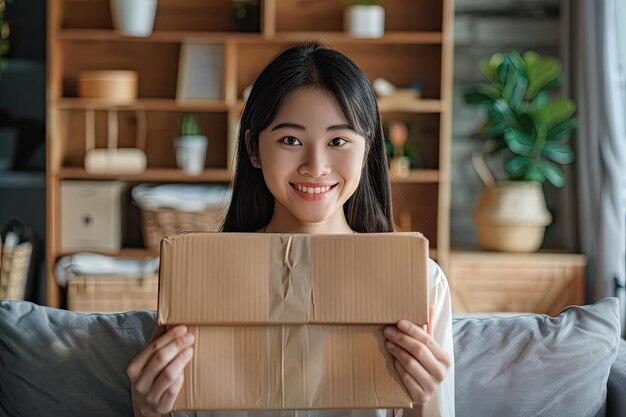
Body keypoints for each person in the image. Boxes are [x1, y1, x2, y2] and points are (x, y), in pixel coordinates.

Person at [126, 42, 455, 417]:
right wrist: (147, 408)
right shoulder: (200, 274)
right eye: (291, 140)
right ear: (254, 147)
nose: (315, 166)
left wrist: (426, 401)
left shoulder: (421, 281)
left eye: (339, 141)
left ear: (367, 150)